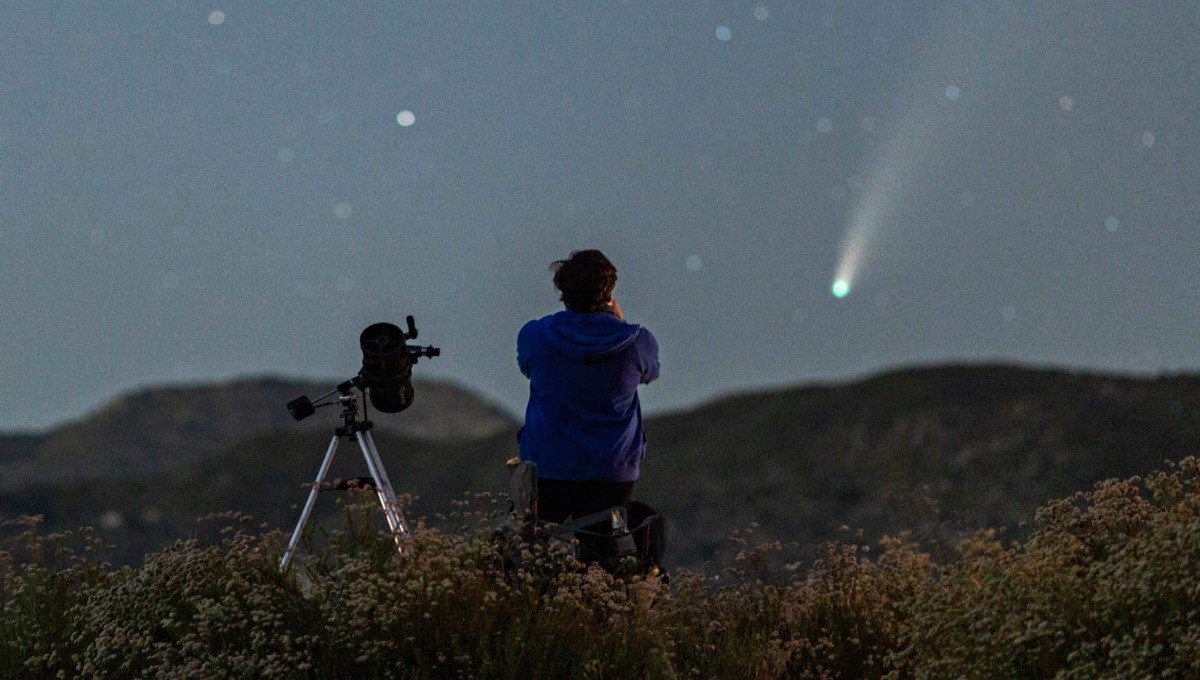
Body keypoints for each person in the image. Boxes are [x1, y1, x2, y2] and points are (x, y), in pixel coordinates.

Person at [516, 249, 660, 524]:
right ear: (609, 292)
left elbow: (526, 366)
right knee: (605, 547)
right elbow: (650, 373)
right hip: (612, 471)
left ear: (563, 290)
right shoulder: (637, 341)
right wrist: (618, 322)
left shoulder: (535, 335)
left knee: (539, 544)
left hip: (547, 466)